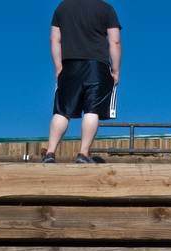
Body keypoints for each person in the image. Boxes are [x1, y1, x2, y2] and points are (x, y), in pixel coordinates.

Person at [43, 0, 122, 164]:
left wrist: (58, 67)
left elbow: (54, 40)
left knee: (62, 111)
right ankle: (83, 154)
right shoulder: (106, 9)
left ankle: (50, 153)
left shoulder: (62, 7)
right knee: (92, 110)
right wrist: (115, 70)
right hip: (96, 66)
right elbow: (114, 42)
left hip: (69, 65)